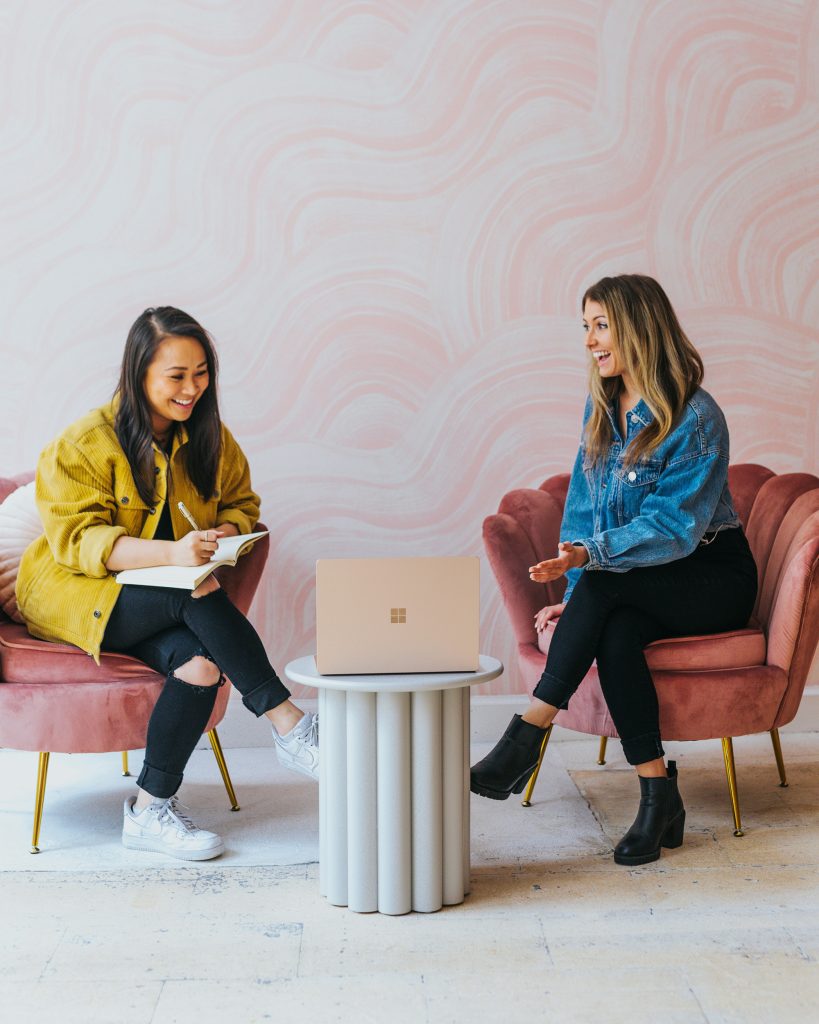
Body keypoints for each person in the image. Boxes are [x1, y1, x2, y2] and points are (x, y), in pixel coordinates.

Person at [471, 274, 758, 865]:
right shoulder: (602, 406)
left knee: (604, 584)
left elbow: (673, 529)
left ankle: (527, 733)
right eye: (586, 326)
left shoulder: (695, 416)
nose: (589, 340)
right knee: (617, 631)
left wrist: (587, 567)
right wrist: (579, 590)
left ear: (638, 328)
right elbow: (581, 509)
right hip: (636, 579)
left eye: (600, 325)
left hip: (710, 577)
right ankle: (658, 799)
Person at [17, 307, 319, 862]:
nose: (191, 388)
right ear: (139, 375)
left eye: (201, 373)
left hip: (160, 603)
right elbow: (83, 543)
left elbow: (242, 502)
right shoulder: (84, 441)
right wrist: (174, 554)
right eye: (176, 376)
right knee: (195, 590)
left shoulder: (208, 436)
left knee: (200, 668)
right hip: (75, 595)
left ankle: (150, 809)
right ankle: (289, 725)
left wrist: (226, 531)